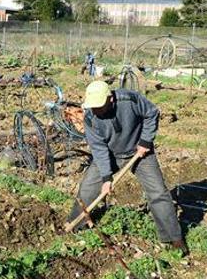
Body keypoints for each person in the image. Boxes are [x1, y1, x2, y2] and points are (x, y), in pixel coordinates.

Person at [67, 80, 187, 254]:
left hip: (140, 151)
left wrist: (146, 140)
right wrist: (107, 177)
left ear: (111, 99)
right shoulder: (90, 118)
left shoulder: (129, 100)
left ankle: (173, 238)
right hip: (110, 154)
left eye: (99, 106)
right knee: (87, 188)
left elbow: (151, 113)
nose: (96, 111)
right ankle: (76, 225)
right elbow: (99, 149)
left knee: (158, 193)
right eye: (93, 107)